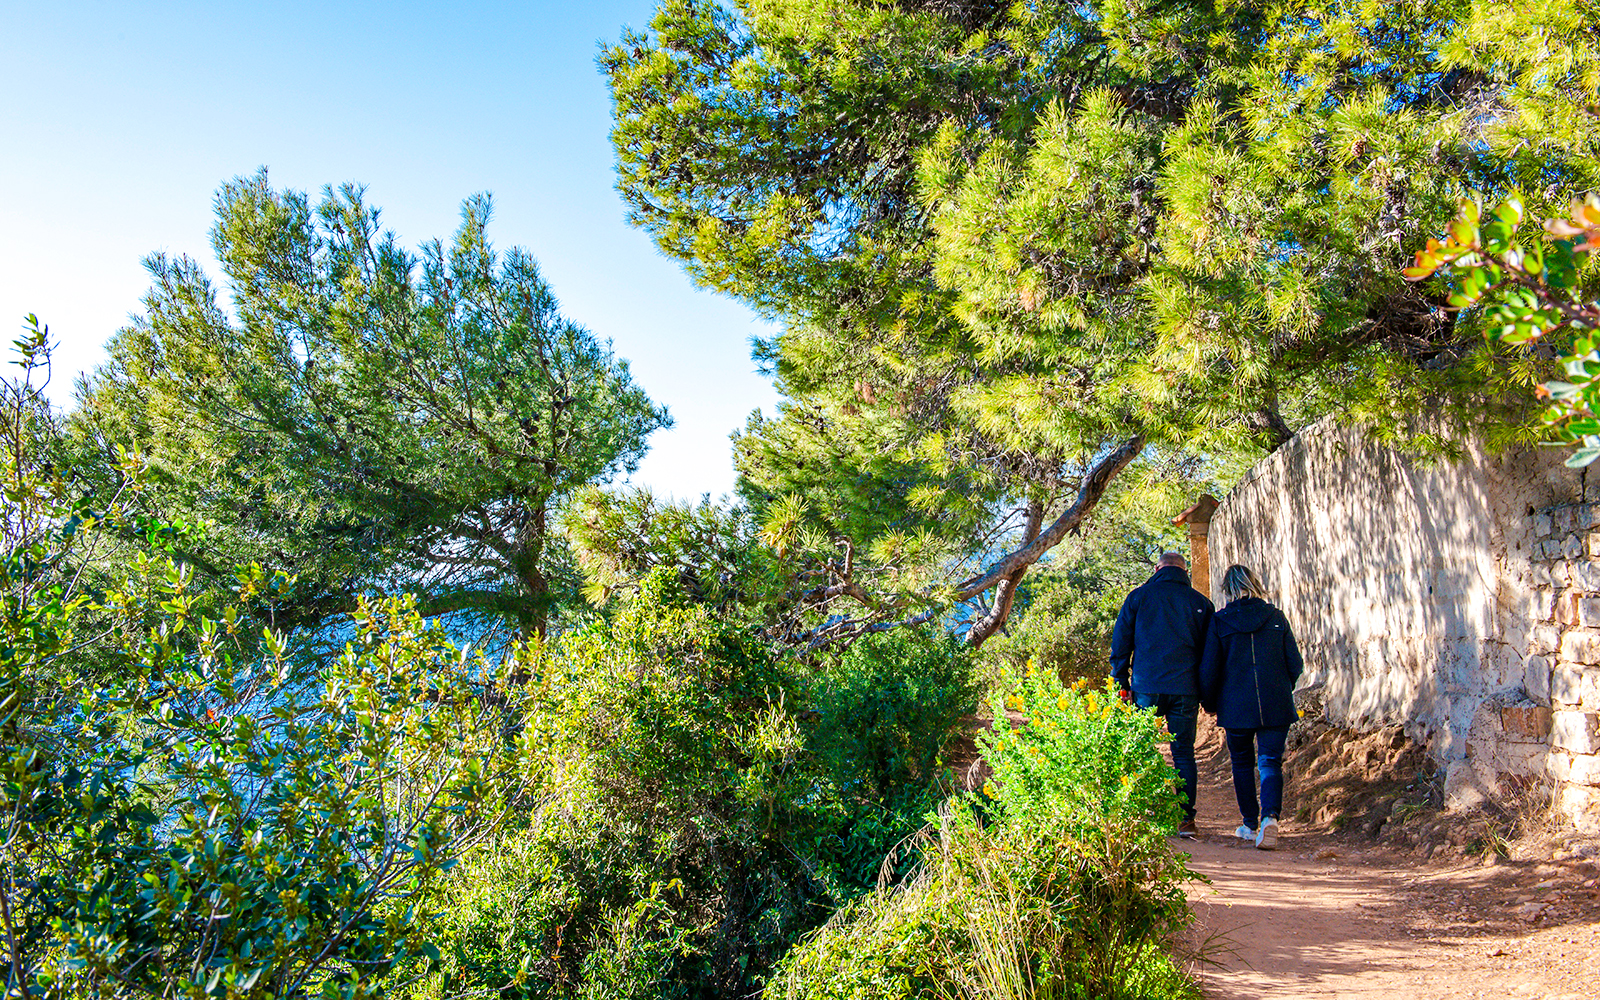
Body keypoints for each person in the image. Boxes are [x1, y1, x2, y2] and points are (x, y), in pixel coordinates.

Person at [1199, 564, 1304, 850]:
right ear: (1255, 584)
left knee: (1242, 763)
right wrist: (1282, 687)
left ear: (1227, 589)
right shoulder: (1276, 617)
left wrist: (1209, 703)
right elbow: (1295, 664)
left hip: (1235, 707)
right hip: (1276, 703)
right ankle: (1271, 818)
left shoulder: (1220, 622)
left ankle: (1249, 824)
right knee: (1270, 761)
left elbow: (1209, 670)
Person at [1109, 552, 1214, 838]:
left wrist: (1120, 681)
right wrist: (1207, 692)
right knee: (1183, 753)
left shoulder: (1139, 597)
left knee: (1142, 748)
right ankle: (1184, 820)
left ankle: (1143, 813)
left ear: (1157, 569)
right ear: (1185, 570)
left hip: (1146, 686)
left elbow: (1121, 643)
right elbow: (1210, 654)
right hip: (1185, 689)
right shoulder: (1201, 604)